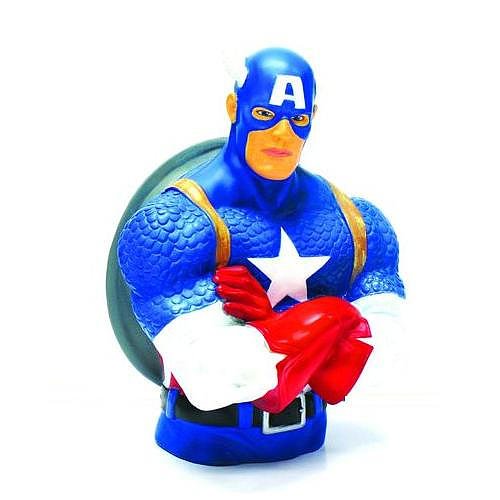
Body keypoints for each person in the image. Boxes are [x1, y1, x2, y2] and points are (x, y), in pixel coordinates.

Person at [117, 47, 405, 465]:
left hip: (314, 453)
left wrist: (273, 325)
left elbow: (382, 355)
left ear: (313, 117)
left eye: (298, 120)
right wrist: (334, 320)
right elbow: (215, 377)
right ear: (234, 107)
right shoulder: (175, 223)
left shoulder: (354, 221)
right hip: (202, 456)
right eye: (265, 115)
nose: (283, 135)